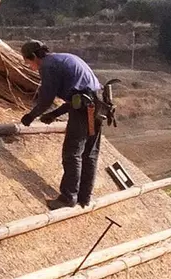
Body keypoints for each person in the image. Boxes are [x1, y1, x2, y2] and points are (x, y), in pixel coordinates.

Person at [20, 40, 102, 210]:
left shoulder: (48, 66)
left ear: (34, 56)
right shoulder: (63, 59)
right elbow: (78, 95)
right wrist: (54, 114)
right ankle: (84, 197)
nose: (30, 67)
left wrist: (31, 116)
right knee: (90, 154)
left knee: (72, 153)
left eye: (29, 62)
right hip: (98, 107)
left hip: (83, 109)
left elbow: (46, 100)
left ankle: (68, 197)